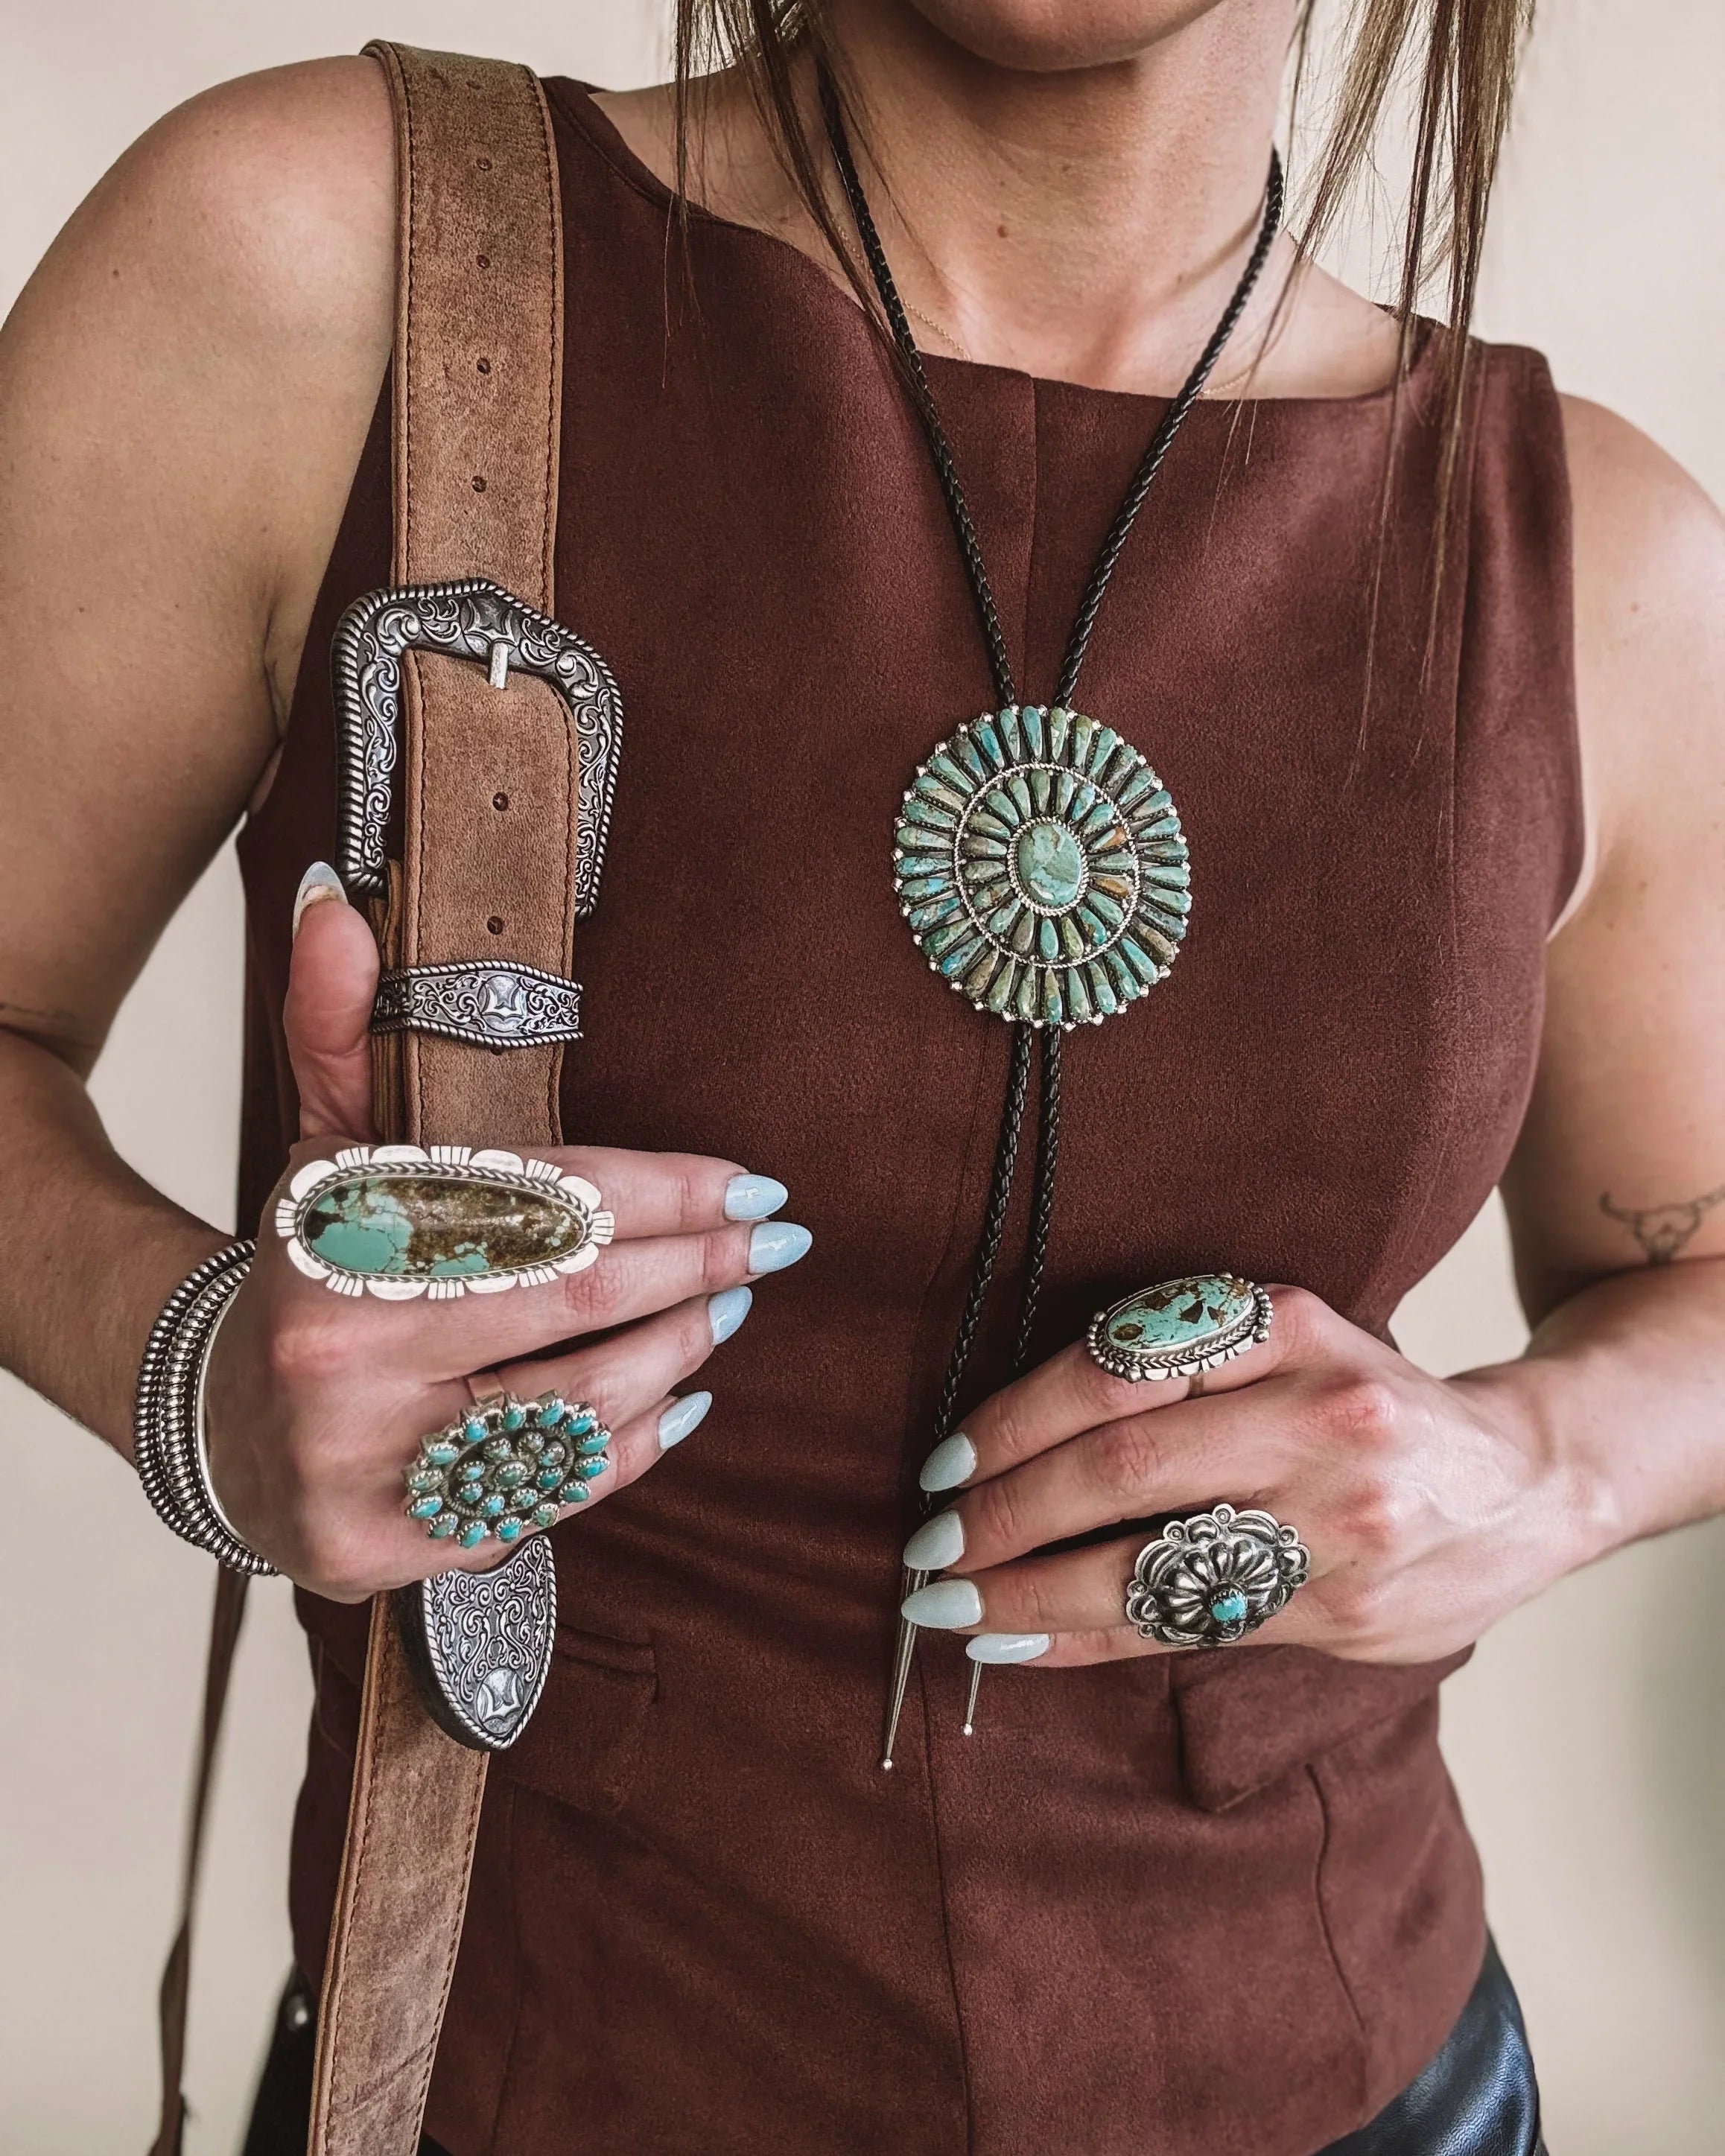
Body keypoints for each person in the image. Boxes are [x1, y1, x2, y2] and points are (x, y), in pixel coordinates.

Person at [2, 3, 1722, 2152]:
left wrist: (1538, 1469)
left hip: (1378, 2083)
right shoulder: (325, 259)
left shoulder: (1601, 560)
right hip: (513, 2078)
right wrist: (188, 1368)